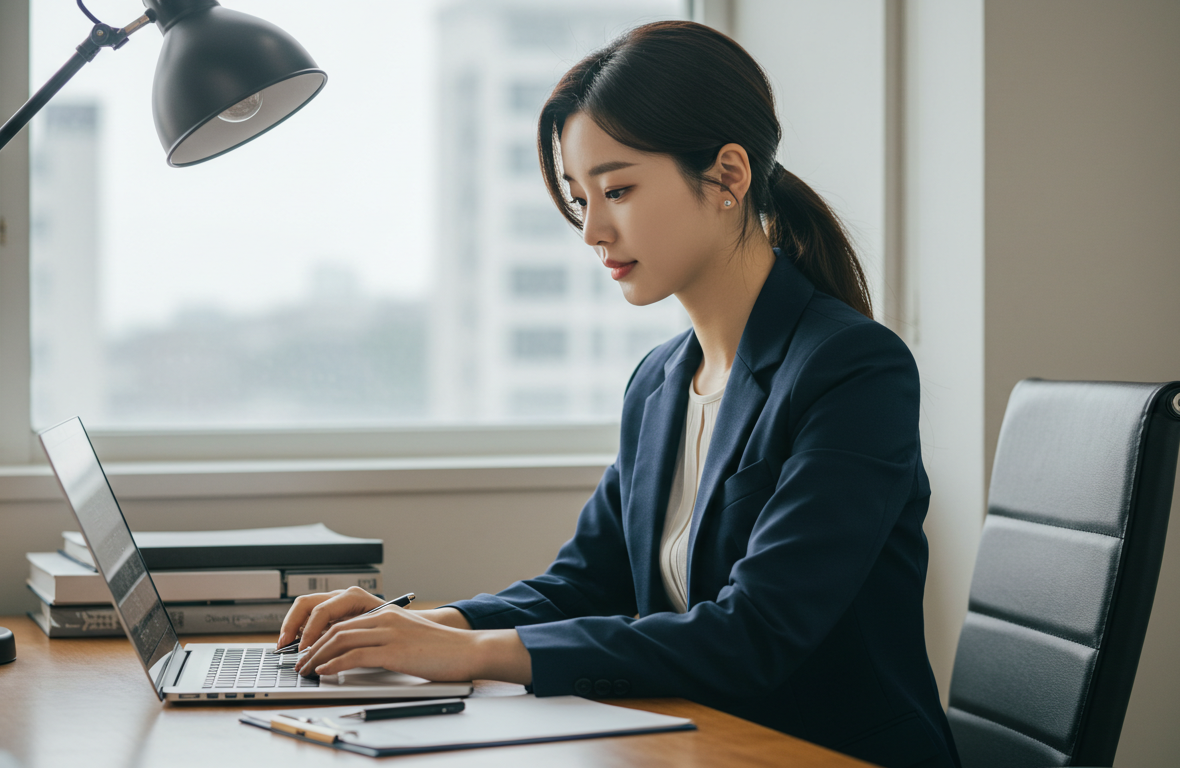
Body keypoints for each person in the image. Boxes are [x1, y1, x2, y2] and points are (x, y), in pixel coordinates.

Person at [277, 20, 959, 768]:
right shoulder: (660, 382)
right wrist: (423, 626)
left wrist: (470, 654)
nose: (593, 230)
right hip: (699, 747)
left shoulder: (854, 369)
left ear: (728, 177)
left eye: (619, 190)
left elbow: (755, 633)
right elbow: (585, 584)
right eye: (581, 198)